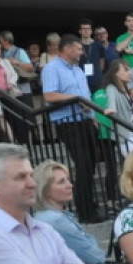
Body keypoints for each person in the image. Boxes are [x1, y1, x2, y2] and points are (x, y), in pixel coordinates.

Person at [41, 33, 102, 223]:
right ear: (67, 49)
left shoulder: (78, 70)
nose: (82, 52)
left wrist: (92, 117)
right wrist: (75, 99)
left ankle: (89, 204)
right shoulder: (52, 68)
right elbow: (49, 95)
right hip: (68, 122)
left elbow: (87, 96)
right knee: (83, 164)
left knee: (91, 165)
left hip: (85, 121)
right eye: (78, 48)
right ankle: (84, 211)